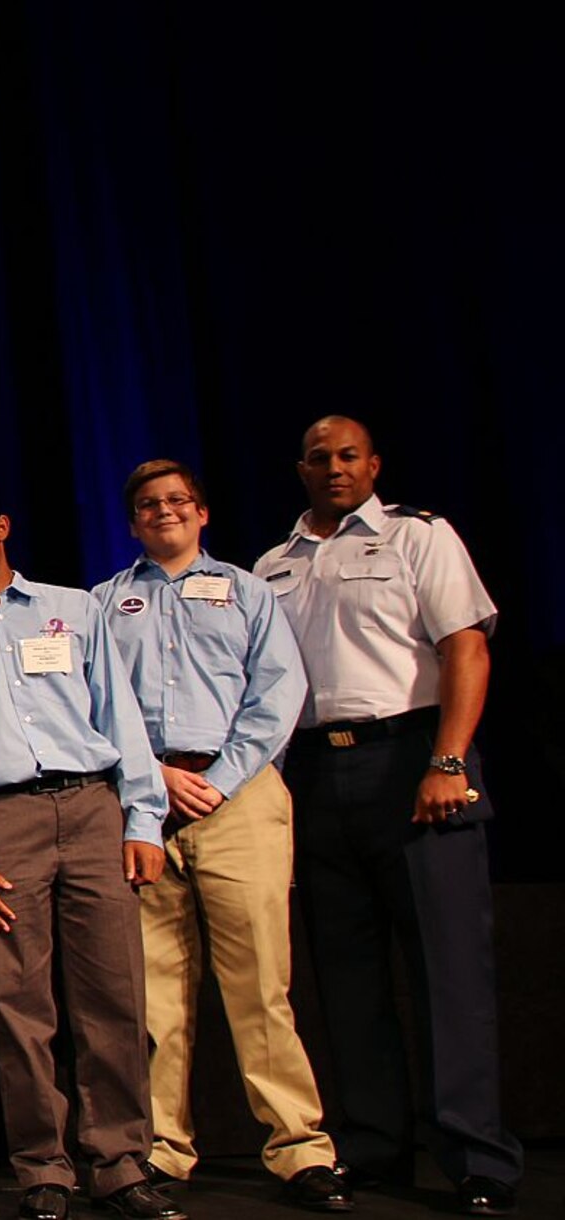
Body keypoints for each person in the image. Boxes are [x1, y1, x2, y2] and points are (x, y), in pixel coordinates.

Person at [254, 417, 521, 1216]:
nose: (334, 468)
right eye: (319, 458)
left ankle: (477, 1156)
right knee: (346, 977)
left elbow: (467, 647)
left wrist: (448, 761)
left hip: (414, 758)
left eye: (348, 456)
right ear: (298, 468)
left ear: (372, 464)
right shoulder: (271, 566)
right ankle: (374, 1146)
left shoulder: (420, 537)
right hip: (315, 769)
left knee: (446, 970)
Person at [0, 483, 181, 1220]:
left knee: (114, 997)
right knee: (19, 1008)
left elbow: (119, 716)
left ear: (1, 528)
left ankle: (121, 1161)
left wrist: (142, 821)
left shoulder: (76, 609)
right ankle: (42, 1168)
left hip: (94, 810)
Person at [92, 461, 348, 1211]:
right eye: (148, 504)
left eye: (177, 500)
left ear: (201, 512)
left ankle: (299, 1148)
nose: (163, 512)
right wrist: (156, 778)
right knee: (154, 995)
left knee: (261, 986)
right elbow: (98, 703)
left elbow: (279, 692)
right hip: (144, 806)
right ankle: (165, 1148)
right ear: (133, 521)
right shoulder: (107, 602)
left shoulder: (249, 590)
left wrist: (221, 778)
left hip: (240, 798)